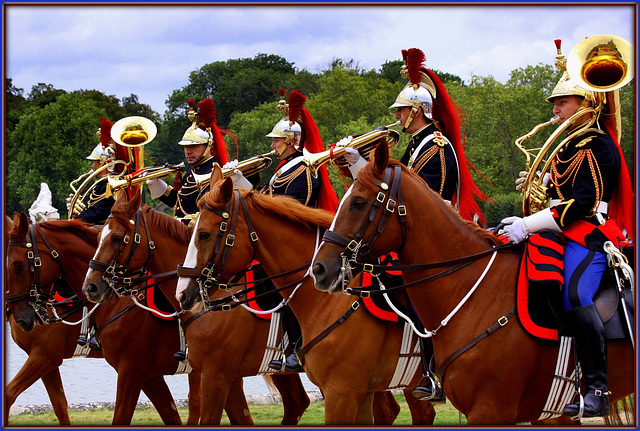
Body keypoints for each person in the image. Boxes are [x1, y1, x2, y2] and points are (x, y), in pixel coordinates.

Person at [338, 48, 491, 402]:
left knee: (404, 286)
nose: (397, 115)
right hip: (412, 235)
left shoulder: (435, 146)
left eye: (402, 110)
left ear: (418, 111)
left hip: (435, 238)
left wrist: (363, 162)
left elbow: (425, 200)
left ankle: (430, 367)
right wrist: (356, 163)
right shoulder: (415, 146)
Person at [501, 40, 634, 418]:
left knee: (576, 295)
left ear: (585, 102)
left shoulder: (595, 144)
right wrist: (537, 186)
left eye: (562, 102)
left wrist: (528, 224)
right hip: (560, 231)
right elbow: (559, 193)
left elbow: (581, 205)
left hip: (588, 234)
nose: (555, 109)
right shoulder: (569, 145)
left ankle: (597, 388)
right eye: (555, 104)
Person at [231, 88, 339, 373]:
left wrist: (250, 191)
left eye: (278, 139)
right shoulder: (284, 168)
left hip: (297, 241)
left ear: (291, 141)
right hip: (280, 240)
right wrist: (243, 183)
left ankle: (296, 344)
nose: (274, 143)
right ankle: (280, 342)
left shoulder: (303, 169)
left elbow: (292, 208)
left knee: (281, 285)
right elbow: (270, 201)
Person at [146, 99, 230, 225]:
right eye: (186, 147)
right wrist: (156, 184)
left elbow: (208, 212)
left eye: (194, 146)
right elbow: (180, 204)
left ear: (209, 146)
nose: (188, 151)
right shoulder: (193, 170)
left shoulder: (213, 172)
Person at [70, 117, 117, 225]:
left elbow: (99, 212)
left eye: (94, 161)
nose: (92, 165)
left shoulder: (110, 184)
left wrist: (75, 220)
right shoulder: (102, 183)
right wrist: (77, 211)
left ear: (102, 162)